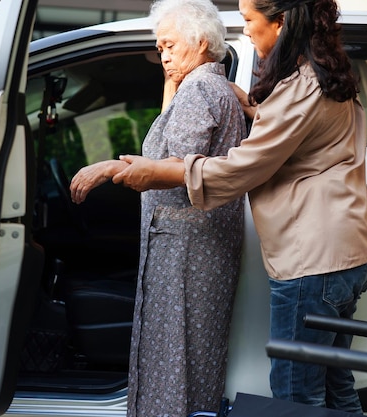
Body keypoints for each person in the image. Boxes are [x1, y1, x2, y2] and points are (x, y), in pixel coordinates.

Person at [74, 0, 367, 413]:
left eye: (251, 19)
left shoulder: (299, 86)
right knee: (336, 386)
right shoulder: (324, 75)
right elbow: (302, 133)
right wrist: (253, 106)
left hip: (314, 260)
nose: (246, 30)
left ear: (282, 21)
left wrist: (161, 173)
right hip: (348, 251)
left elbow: (248, 165)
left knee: (296, 396)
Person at [69, 1, 247, 416]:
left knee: (175, 356)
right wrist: (172, 77)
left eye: (170, 45)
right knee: (186, 356)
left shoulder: (201, 90)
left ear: (200, 43)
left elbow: (177, 166)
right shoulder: (206, 87)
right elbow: (170, 145)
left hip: (187, 249)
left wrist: (109, 166)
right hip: (195, 246)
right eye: (160, 47)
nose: (163, 55)